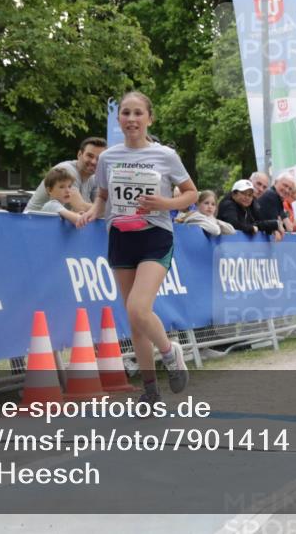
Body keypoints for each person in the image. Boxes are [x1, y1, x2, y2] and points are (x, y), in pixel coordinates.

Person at [77, 91, 197, 405]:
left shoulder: (165, 155)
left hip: (155, 235)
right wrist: (92, 211)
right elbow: (102, 196)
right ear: (119, 120)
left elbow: (191, 193)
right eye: (126, 114)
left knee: (138, 307)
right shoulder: (108, 157)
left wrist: (165, 203)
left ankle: (171, 354)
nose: (131, 119)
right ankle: (150, 391)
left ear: (149, 118)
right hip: (120, 236)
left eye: (137, 114)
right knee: (134, 320)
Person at [25, 137, 106, 213]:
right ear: (79, 154)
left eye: (99, 158)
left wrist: (100, 209)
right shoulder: (67, 171)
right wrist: (99, 209)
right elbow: (81, 208)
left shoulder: (95, 178)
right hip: (33, 223)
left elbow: (100, 208)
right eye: (89, 156)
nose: (94, 162)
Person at [217, 180, 282, 237]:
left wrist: (275, 225)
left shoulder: (247, 206)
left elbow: (256, 224)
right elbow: (233, 224)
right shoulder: (228, 204)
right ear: (234, 194)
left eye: (250, 195)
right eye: (244, 193)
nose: (247, 197)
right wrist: (250, 228)